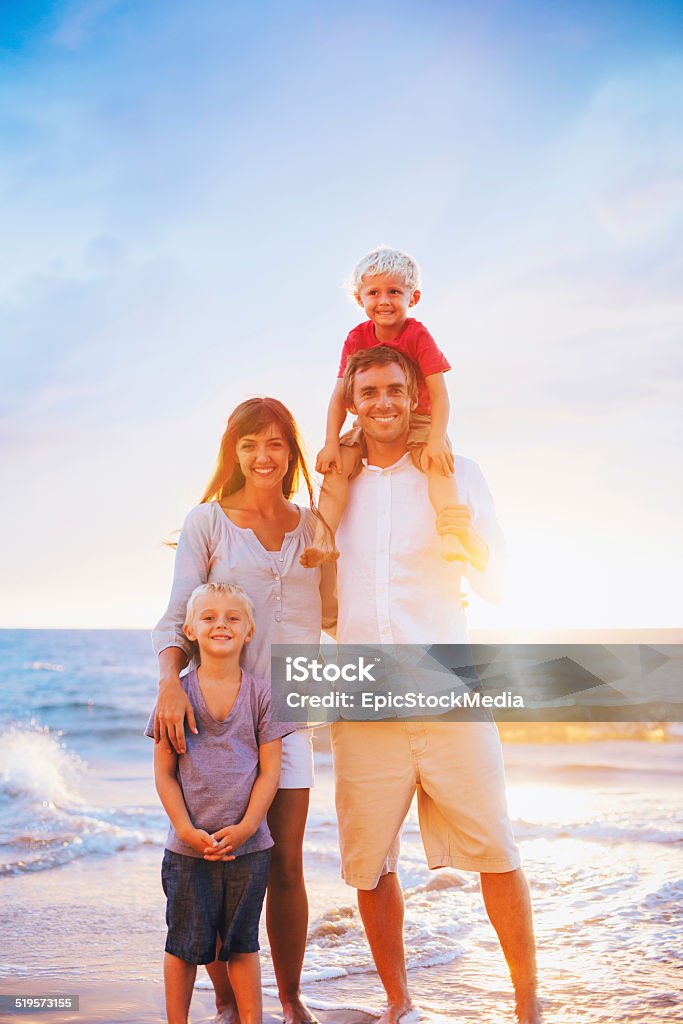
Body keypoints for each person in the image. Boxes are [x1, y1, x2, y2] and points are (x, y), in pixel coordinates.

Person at [330, 346, 541, 1024]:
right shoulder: (336, 486)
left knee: (496, 849)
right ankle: (397, 1002)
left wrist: (467, 542)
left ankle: (525, 999)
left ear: (417, 394)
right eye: (368, 392)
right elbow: (314, 595)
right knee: (368, 861)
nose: (382, 402)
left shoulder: (457, 474)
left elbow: (497, 583)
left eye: (394, 389)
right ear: (352, 402)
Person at [153, 397, 334, 1024]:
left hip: (289, 718)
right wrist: (169, 684)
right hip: (214, 724)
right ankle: (229, 1000)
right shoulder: (208, 522)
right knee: (210, 861)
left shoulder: (315, 527)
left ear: (291, 452)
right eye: (250, 443)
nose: (264, 456)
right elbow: (179, 611)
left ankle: (288, 999)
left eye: (276, 443)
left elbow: (340, 612)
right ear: (234, 451)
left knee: (285, 862)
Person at [147, 582, 293, 1024]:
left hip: (248, 850)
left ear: (249, 631)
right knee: (185, 946)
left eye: (232, 617)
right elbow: (164, 774)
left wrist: (249, 826)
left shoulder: (263, 695)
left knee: (243, 945)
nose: (220, 625)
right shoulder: (175, 698)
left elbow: (270, 772)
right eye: (208, 617)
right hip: (188, 850)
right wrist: (186, 830)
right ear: (189, 629)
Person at [301, 245, 465, 567]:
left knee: (437, 464)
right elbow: (338, 395)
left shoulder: (417, 335)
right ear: (361, 299)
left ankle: (452, 534)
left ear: (412, 298)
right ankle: (324, 538)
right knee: (337, 466)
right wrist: (331, 442)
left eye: (394, 292)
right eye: (373, 293)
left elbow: (440, 393)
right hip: (370, 420)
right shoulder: (356, 337)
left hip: (417, 417)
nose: (384, 301)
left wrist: (435, 438)